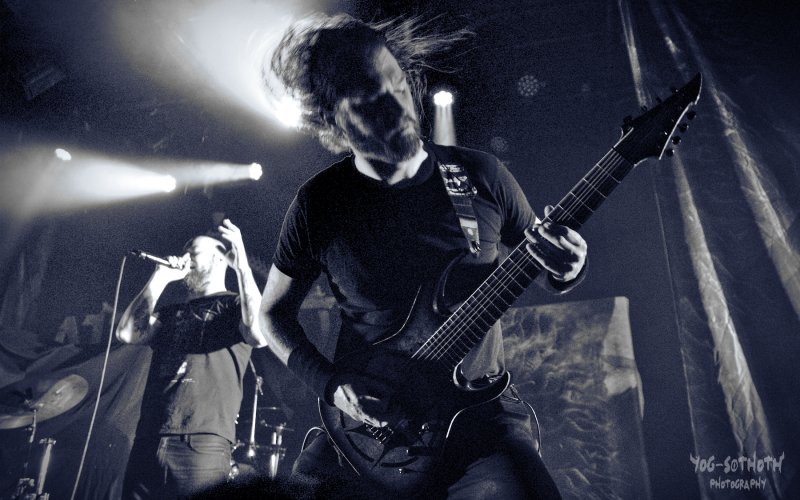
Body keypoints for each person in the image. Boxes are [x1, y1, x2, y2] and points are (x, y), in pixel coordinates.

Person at [260, 13, 587, 500]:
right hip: (375, 432)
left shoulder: (481, 175)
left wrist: (569, 264)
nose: (396, 107)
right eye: (370, 99)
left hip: (479, 419)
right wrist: (331, 386)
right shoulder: (319, 204)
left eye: (398, 86)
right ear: (332, 121)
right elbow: (272, 314)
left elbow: (546, 265)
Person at [117, 219, 267, 499]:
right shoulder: (169, 313)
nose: (185, 259)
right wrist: (160, 277)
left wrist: (242, 267)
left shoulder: (234, 305)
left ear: (220, 259)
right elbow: (127, 333)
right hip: (149, 437)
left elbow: (259, 334)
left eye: (193, 252)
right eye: (184, 252)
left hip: (202, 442)